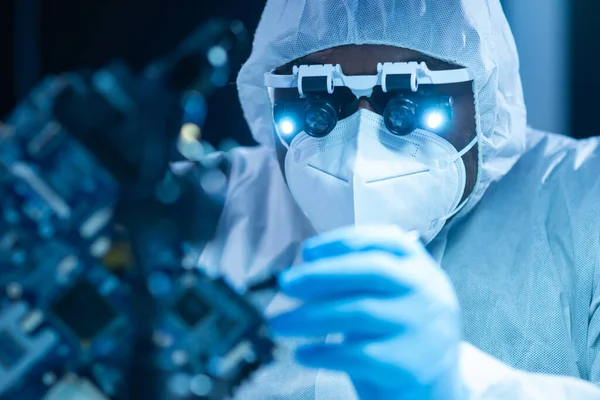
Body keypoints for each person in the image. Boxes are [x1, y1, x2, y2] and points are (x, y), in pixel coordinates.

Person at [198, 0, 600, 398]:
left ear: (485, 98)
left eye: (408, 102)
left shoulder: (584, 199)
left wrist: (466, 386)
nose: (359, 149)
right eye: (318, 103)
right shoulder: (211, 203)